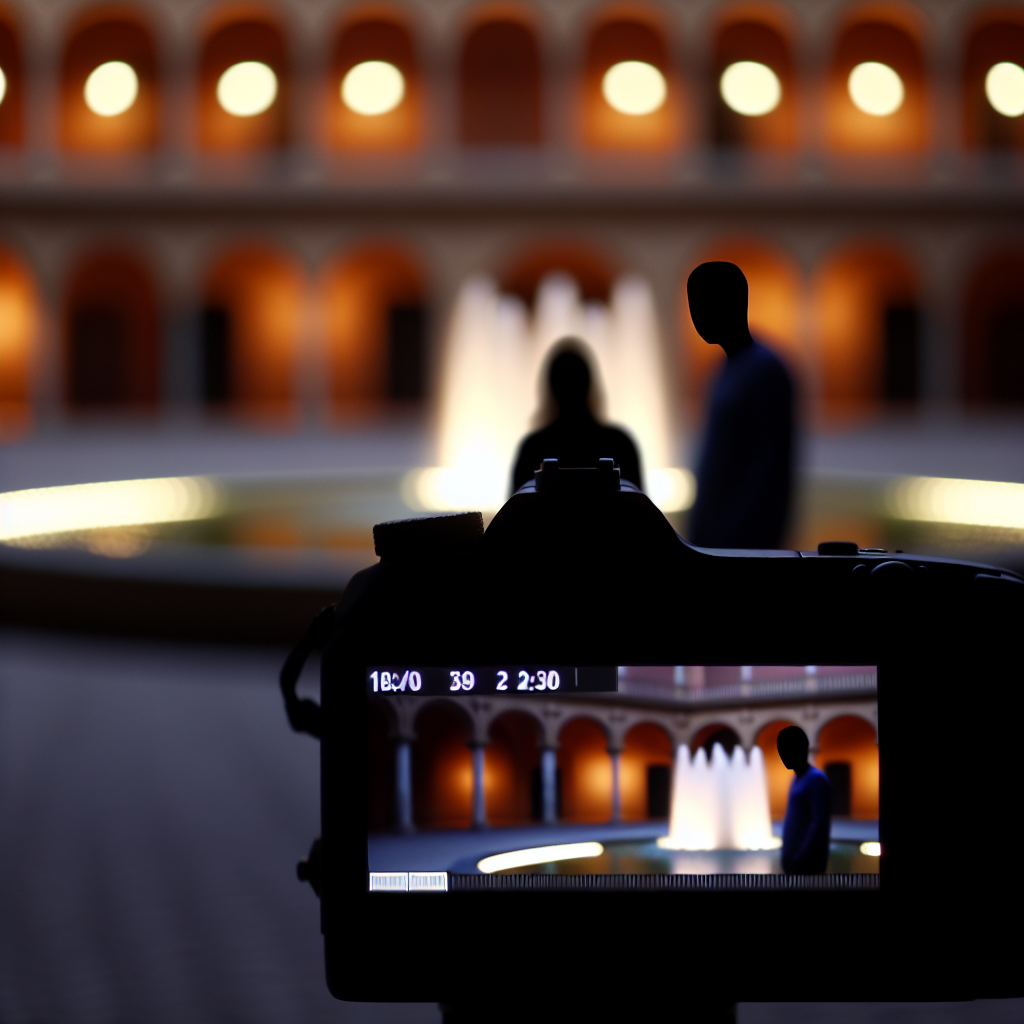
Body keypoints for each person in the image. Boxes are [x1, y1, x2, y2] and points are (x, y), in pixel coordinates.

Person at [686, 261, 794, 548]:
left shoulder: (765, 369)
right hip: (719, 543)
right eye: (693, 304)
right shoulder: (726, 368)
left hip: (742, 546)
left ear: (735, 302)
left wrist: (738, 537)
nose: (697, 314)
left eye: (705, 301)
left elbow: (769, 468)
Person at [511, 345, 642, 492]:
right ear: (588, 383)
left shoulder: (532, 448)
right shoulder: (621, 444)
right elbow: (642, 510)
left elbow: (514, 511)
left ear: (551, 387)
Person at [777, 725, 831, 874]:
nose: (782, 753)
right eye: (780, 748)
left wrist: (801, 857)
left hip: (806, 865)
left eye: (787, 747)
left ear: (801, 748)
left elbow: (819, 823)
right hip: (794, 862)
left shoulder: (816, 779)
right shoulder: (797, 778)